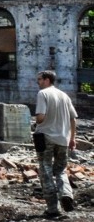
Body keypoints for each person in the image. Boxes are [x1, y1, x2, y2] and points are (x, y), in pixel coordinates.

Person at [33, 70, 78, 217]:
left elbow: (41, 117)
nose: (38, 82)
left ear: (47, 80)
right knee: (61, 170)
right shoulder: (64, 96)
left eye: (39, 79)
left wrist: (36, 121)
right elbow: (73, 119)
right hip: (63, 140)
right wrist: (72, 138)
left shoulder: (43, 94)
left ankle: (53, 209)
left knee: (45, 171)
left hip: (46, 137)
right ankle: (66, 194)